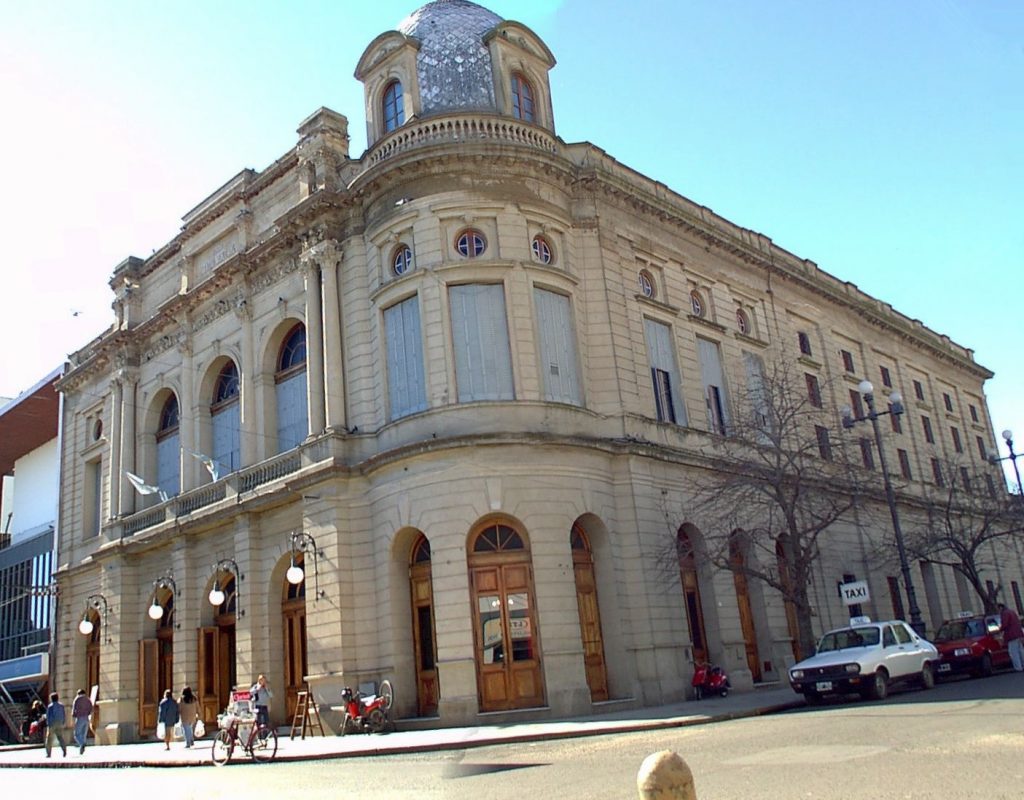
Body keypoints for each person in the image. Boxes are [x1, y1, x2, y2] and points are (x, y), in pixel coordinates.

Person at [999, 603, 1024, 671]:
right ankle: (1022, 664)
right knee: (1020, 650)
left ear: (1000, 608)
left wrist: (1000, 630)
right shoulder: (1012, 611)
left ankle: (1018, 667)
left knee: (1013, 652)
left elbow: (1005, 624)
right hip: (1018, 633)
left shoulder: (1005, 613)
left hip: (1011, 635)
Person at [44, 692, 67, 758]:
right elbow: (63, 714)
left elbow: (48, 716)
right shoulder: (61, 705)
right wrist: (63, 721)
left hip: (52, 723)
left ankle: (48, 753)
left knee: (49, 739)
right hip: (59, 722)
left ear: (51, 699)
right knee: (60, 737)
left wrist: (48, 723)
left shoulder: (50, 706)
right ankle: (64, 750)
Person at [71, 688, 93, 754]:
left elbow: (74, 709)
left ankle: (82, 744)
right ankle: (81, 749)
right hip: (86, 718)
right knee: (84, 734)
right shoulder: (88, 699)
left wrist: (73, 716)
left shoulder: (77, 699)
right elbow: (91, 708)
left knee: (76, 734)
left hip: (79, 718)